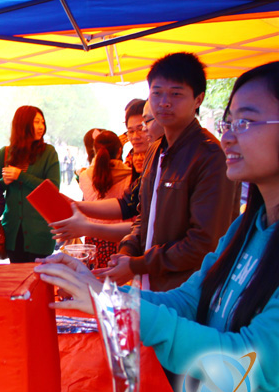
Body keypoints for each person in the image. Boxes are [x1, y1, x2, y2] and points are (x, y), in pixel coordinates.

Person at [36, 60, 279, 392]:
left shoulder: (206, 155)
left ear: (197, 99)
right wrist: (103, 290)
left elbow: (245, 359)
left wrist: (115, 303)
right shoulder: (246, 228)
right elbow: (190, 299)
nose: (228, 136)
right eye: (228, 123)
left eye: (245, 122)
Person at [100, 52, 238, 292]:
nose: (164, 102)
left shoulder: (210, 156)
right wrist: (126, 252)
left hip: (190, 293)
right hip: (150, 288)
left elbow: (203, 244)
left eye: (176, 94)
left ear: (198, 99)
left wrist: (136, 264)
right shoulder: (156, 149)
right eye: (157, 93)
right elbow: (144, 217)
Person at [51, 100, 154, 247]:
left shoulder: (163, 163)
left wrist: (85, 224)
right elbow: (127, 205)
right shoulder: (144, 168)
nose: (135, 136)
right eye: (131, 131)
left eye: (142, 128)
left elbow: (146, 225)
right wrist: (76, 206)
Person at [0, 106, 60, 263]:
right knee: (17, 275)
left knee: (39, 275)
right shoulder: (5, 153)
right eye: (36, 122)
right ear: (22, 124)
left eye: (42, 122)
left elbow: (53, 188)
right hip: (12, 231)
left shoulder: (48, 152)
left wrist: (21, 176)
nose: (41, 127)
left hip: (40, 233)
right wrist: (4, 182)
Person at [78, 130, 132, 268]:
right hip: (122, 238)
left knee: (94, 278)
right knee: (118, 279)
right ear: (119, 151)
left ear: (95, 151)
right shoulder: (132, 177)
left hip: (93, 238)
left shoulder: (84, 176)